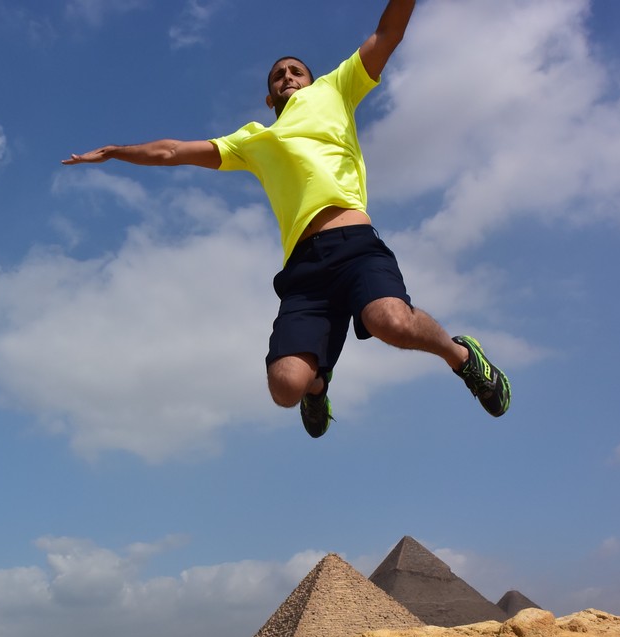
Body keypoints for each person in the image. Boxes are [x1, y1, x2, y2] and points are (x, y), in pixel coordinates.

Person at [62, 0, 510, 438]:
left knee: (389, 322)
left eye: (296, 71)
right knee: (285, 387)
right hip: (304, 268)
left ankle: (463, 357)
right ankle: (318, 386)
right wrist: (116, 152)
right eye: (279, 75)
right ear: (269, 96)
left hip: (354, 244)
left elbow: (387, 34)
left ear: (310, 80)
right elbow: (172, 151)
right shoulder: (251, 141)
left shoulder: (336, 90)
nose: (288, 77)